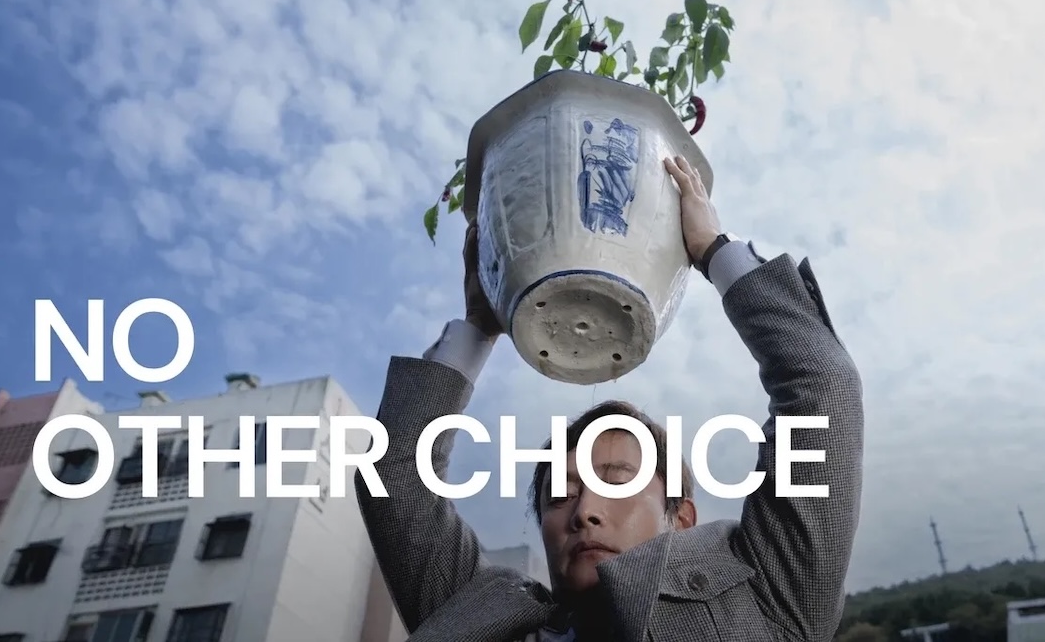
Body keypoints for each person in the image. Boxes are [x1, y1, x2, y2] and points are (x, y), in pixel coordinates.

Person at [354, 156, 865, 641]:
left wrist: (713, 249)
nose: (583, 512)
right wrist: (479, 325)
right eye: (559, 496)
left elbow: (820, 385)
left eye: (618, 482)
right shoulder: (479, 616)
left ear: (681, 518)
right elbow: (394, 475)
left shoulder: (770, 596)